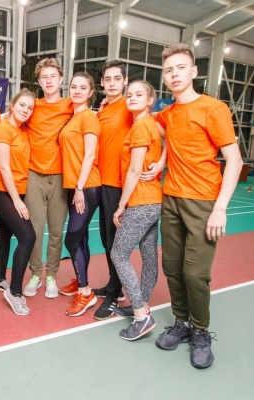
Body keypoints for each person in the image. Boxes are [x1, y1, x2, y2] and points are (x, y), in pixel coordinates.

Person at [155, 44, 242, 369]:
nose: (174, 74)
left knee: (194, 274)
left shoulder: (213, 108)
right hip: (171, 200)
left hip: (203, 202)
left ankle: (200, 331)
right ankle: (181, 323)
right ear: (164, 77)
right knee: (172, 269)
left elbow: (234, 160)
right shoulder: (168, 113)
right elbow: (152, 125)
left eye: (180, 68)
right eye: (168, 70)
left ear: (193, 72)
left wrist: (220, 208)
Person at [110, 80, 164, 341]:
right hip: (154, 201)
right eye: (129, 94)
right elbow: (171, 138)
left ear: (150, 100)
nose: (131, 97)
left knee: (118, 254)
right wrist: (162, 161)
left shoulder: (142, 126)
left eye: (138, 94)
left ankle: (141, 316)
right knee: (149, 256)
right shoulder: (150, 123)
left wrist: (121, 205)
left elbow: (134, 170)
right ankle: (140, 304)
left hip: (141, 202)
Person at [22, 58, 73, 299]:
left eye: (53, 76)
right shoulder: (33, 106)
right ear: (39, 81)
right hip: (34, 175)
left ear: (61, 79)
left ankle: (51, 275)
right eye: (44, 77)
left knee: (56, 232)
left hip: (61, 178)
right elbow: (7, 116)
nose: (49, 80)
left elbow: (92, 116)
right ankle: (35, 274)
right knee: (34, 231)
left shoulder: (71, 105)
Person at [91, 60, 134, 320]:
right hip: (102, 182)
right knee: (106, 239)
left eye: (117, 78)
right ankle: (113, 285)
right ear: (102, 83)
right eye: (107, 79)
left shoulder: (131, 105)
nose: (112, 83)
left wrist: (159, 160)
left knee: (116, 243)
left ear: (125, 81)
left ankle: (116, 292)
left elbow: (156, 129)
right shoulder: (103, 109)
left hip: (120, 185)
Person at [58, 71, 102, 317]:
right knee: (82, 238)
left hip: (86, 187)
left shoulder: (88, 118)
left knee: (72, 240)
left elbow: (90, 155)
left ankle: (86, 293)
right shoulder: (72, 118)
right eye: (74, 86)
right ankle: (80, 279)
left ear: (90, 92)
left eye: (83, 88)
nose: (77, 91)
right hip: (73, 186)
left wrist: (80, 188)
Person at [0, 89, 37, 316]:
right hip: (2, 191)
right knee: (28, 237)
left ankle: (0, 279)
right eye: (22, 105)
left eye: (30, 108)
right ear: (13, 104)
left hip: (20, 189)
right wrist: (17, 201)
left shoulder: (24, 130)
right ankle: (15, 292)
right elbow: (4, 167)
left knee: (4, 233)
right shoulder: (2, 129)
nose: (26, 110)